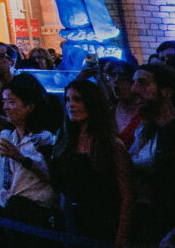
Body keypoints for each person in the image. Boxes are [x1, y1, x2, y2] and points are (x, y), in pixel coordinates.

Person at [48, 76, 131, 244]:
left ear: (91, 102)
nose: (71, 105)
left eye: (77, 99)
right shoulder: (64, 142)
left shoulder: (111, 145)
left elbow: (127, 196)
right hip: (71, 221)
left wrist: (121, 236)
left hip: (103, 222)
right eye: (68, 100)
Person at [0, 74, 59, 235]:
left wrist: (21, 158)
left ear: (29, 106)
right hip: (9, 209)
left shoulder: (43, 139)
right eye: (4, 102)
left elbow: (53, 176)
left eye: (12, 102)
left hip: (35, 211)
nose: (6, 107)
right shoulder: (6, 136)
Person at [128, 61, 175, 243]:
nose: (134, 89)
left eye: (142, 82)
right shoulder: (145, 130)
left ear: (166, 91)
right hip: (148, 222)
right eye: (134, 82)